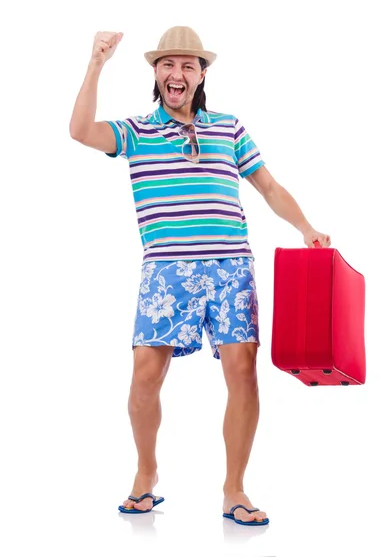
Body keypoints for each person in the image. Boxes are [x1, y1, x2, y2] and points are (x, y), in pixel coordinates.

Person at [69, 26, 331, 526]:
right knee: (146, 375)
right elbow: (80, 131)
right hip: (167, 270)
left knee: (242, 372)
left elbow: (269, 186)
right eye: (169, 64)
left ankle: (235, 488)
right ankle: (146, 473)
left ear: (201, 74)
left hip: (231, 267)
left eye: (189, 65)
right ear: (156, 73)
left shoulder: (228, 127)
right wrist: (96, 62)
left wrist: (307, 228)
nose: (178, 73)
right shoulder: (137, 131)